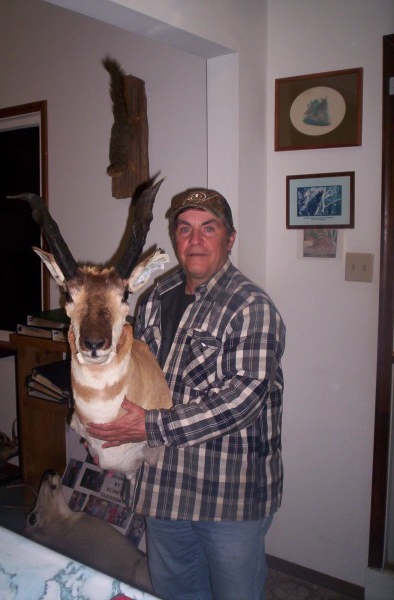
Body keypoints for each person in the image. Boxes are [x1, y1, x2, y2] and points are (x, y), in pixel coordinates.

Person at [87, 188, 286, 600]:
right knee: (175, 590)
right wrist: (107, 436)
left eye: (208, 228)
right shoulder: (155, 298)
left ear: (230, 239)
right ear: (175, 237)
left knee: (235, 593)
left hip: (228, 493)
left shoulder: (251, 308)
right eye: (185, 229)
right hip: (166, 486)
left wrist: (146, 425)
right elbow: (134, 375)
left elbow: (242, 400)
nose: (195, 240)